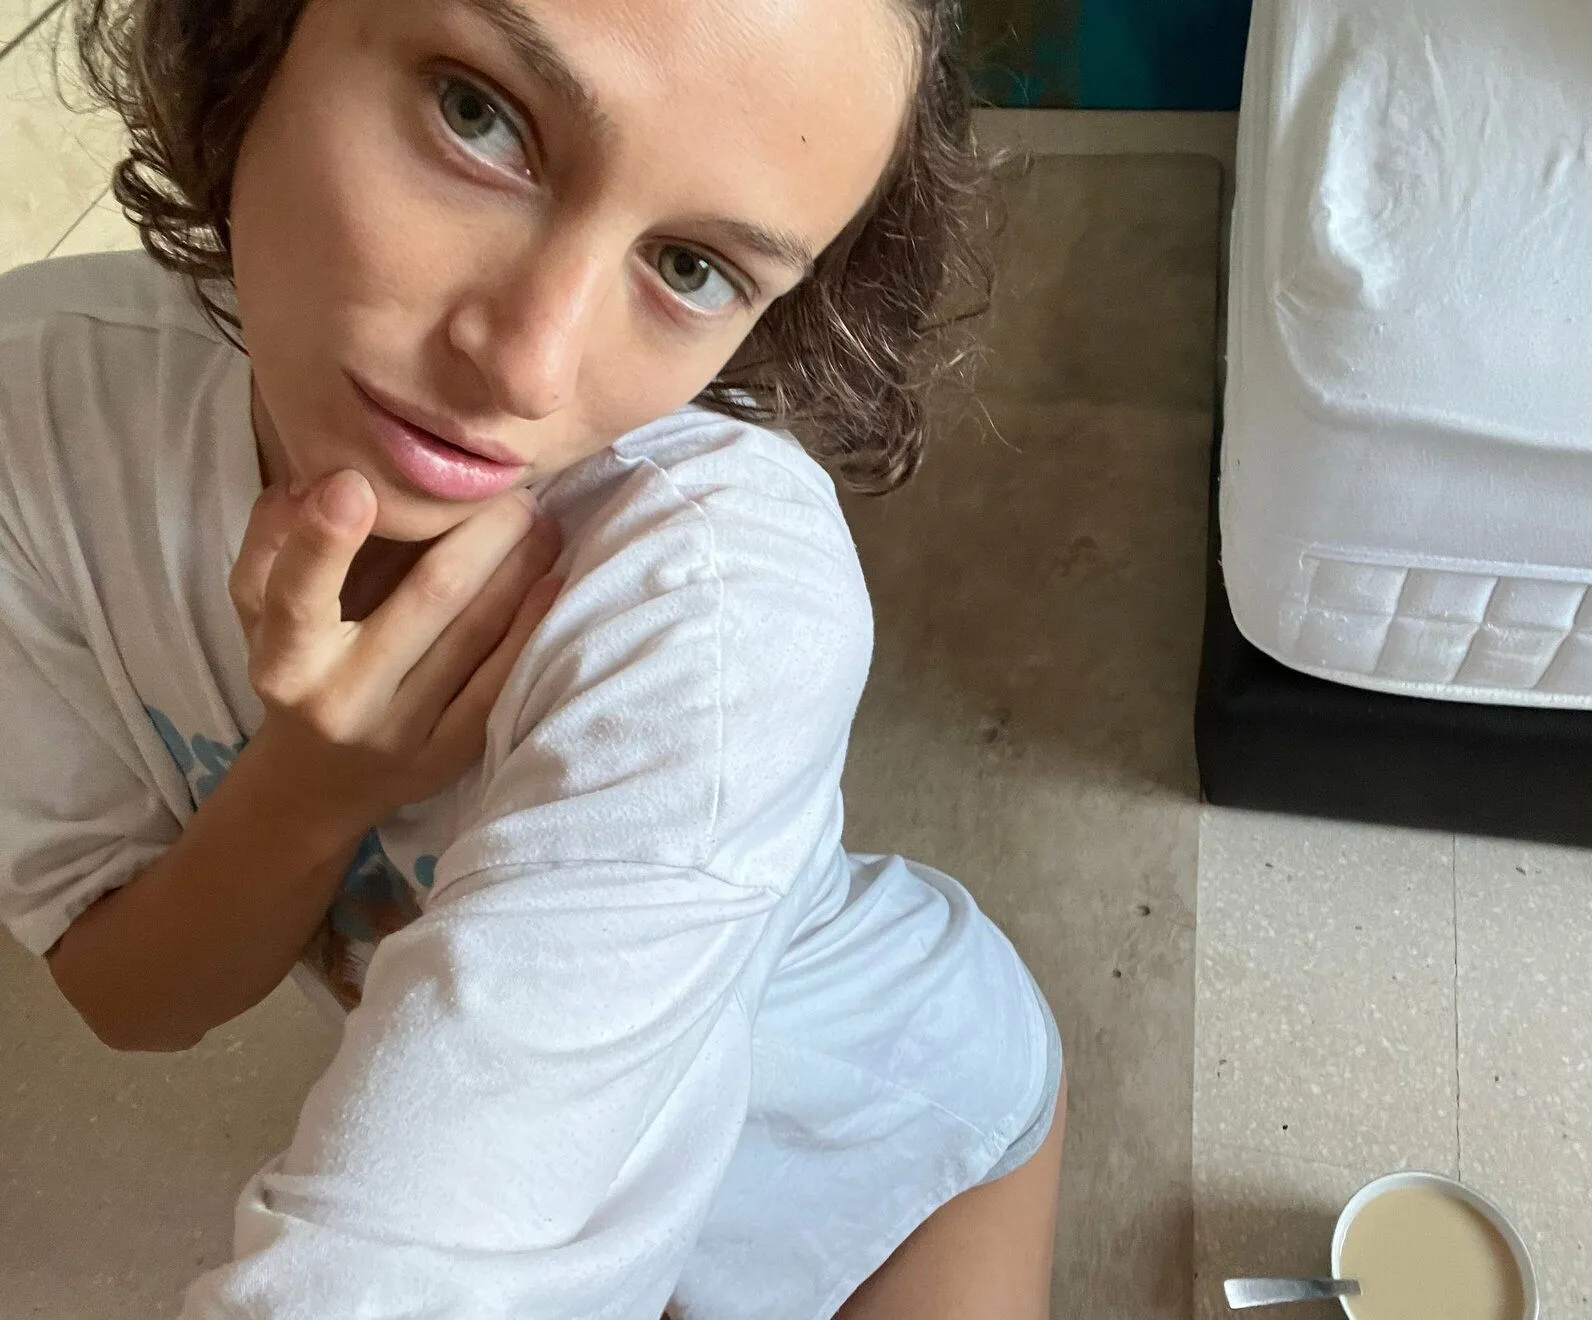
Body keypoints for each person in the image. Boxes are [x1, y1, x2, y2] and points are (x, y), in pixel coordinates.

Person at [0, 0, 1066, 1312]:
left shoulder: (715, 601)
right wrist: (308, 789)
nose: (526, 366)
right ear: (252, 33)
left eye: (693, 269)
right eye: (479, 115)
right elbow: (135, 999)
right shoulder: (36, 422)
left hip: (891, 1144)